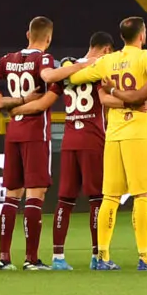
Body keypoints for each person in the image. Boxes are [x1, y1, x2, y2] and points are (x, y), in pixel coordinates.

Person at [71, 14, 147, 271]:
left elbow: (75, 78)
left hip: (114, 133)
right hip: (138, 133)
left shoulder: (108, 61)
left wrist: (98, 83)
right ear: (142, 35)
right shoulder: (145, 58)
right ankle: (145, 257)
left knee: (111, 197)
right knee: (143, 195)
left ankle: (102, 257)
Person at [0, 14, 73, 270]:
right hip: (35, 133)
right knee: (35, 195)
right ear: (48, 38)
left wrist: (6, 103)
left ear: (28, 34)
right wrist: (79, 67)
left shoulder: (8, 59)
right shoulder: (44, 59)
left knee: (12, 196)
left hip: (13, 133)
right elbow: (49, 77)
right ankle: (31, 258)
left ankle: (4, 257)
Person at [48, 31, 115, 269]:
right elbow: (105, 100)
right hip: (92, 139)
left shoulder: (69, 66)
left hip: (69, 139)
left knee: (64, 200)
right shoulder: (98, 69)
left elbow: (50, 92)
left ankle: (57, 257)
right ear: (106, 50)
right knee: (97, 199)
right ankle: (98, 256)